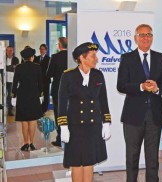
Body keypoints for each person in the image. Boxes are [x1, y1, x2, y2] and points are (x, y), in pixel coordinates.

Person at [117, 24, 162, 182]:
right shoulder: (127, 58)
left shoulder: (161, 58)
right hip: (133, 116)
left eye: (149, 34)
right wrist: (141, 86)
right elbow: (121, 86)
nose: (146, 38)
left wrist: (156, 88)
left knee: (153, 157)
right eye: (142, 35)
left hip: (154, 115)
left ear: (152, 37)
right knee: (132, 157)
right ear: (136, 38)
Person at [57, 42, 111, 182]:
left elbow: (103, 100)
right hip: (75, 125)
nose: (96, 59)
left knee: (89, 160)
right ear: (82, 57)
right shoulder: (68, 76)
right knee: (76, 161)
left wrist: (106, 123)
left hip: (93, 124)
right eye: (93, 56)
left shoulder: (98, 75)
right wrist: (63, 126)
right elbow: (61, 103)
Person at [11, 47, 43, 151]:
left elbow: (15, 83)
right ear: (32, 57)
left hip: (22, 94)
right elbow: (41, 84)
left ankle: (25, 143)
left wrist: (14, 94)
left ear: (23, 58)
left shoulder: (19, 67)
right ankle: (32, 143)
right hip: (33, 95)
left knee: (24, 120)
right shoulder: (37, 67)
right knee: (32, 120)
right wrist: (40, 94)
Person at [47, 37, 68, 147]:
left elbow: (49, 73)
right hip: (70, 89)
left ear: (59, 45)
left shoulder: (55, 57)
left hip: (57, 89)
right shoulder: (72, 56)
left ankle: (60, 138)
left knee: (58, 113)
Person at [34, 44, 51, 114]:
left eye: (43, 49)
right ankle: (38, 109)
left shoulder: (49, 59)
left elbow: (49, 70)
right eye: (40, 49)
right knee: (38, 95)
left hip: (46, 80)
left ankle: (44, 110)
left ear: (46, 50)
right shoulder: (36, 58)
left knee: (46, 95)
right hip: (38, 81)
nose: (41, 50)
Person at [5, 46, 20, 116]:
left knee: (10, 96)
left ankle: (10, 110)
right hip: (4, 81)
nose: (9, 52)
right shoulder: (2, 58)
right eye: (8, 50)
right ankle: (5, 108)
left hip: (12, 81)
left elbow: (15, 68)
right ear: (6, 51)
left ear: (13, 51)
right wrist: (11, 67)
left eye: (11, 50)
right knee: (3, 95)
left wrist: (7, 67)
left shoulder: (16, 59)